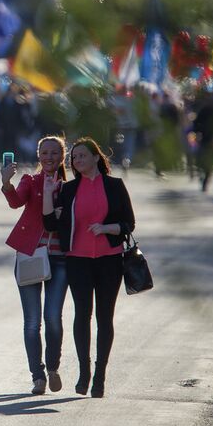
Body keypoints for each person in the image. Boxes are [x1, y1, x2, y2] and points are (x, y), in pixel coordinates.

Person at [42, 137, 135, 398]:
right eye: (74, 157)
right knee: (82, 315)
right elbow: (50, 224)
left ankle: (100, 376)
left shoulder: (114, 186)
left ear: (96, 157)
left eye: (82, 155)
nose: (77, 160)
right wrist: (49, 194)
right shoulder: (69, 190)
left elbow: (129, 223)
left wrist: (105, 228)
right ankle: (84, 373)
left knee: (105, 317)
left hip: (109, 258)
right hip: (78, 259)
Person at [0, 135, 69, 395]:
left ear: (62, 156)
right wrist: (6, 181)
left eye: (54, 153)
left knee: (52, 317)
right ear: (38, 156)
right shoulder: (31, 181)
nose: (49, 158)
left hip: (60, 259)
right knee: (32, 322)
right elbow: (16, 201)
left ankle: (52, 368)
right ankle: (37, 375)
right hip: (30, 255)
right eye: (44, 153)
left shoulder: (70, 187)